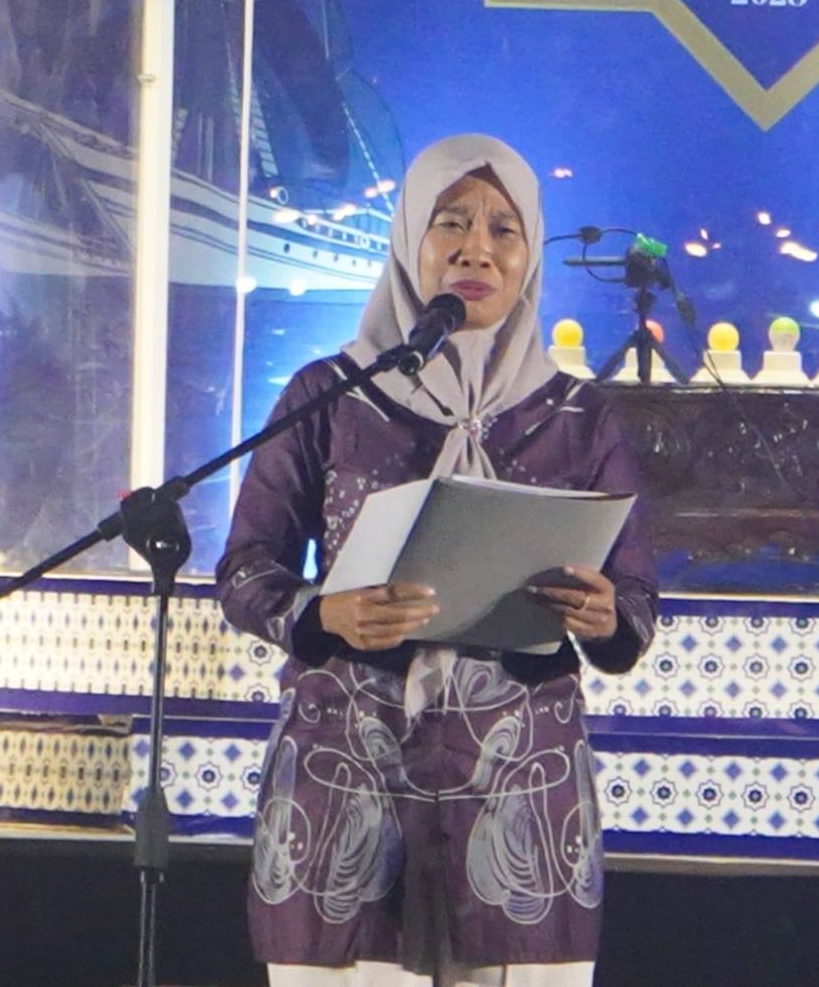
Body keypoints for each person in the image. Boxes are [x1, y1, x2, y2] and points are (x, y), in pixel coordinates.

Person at [217, 134, 658, 987]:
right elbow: (245, 568)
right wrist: (322, 612)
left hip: (520, 796)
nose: (475, 250)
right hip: (348, 780)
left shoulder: (578, 415)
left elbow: (635, 596)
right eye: (450, 222)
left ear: (530, 255)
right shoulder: (331, 394)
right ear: (408, 239)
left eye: (503, 229)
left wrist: (606, 612)